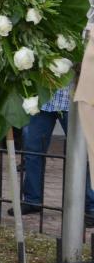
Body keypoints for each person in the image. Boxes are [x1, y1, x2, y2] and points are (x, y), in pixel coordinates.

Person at [11, 87, 94, 222]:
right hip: (42, 100)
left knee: (84, 153)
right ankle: (32, 200)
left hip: (75, 99)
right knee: (32, 150)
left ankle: (91, 207)